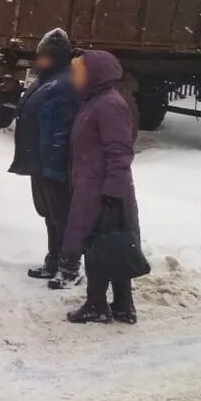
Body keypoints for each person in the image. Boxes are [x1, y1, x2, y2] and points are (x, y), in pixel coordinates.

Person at [63, 49, 141, 324]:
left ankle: (98, 304)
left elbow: (120, 152)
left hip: (103, 189)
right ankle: (122, 305)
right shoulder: (94, 101)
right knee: (112, 244)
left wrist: (112, 193)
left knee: (101, 244)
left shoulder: (108, 105)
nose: (73, 77)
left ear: (93, 74)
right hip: (94, 185)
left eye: (77, 71)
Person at [8, 28, 79, 288]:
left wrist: (56, 165)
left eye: (46, 56)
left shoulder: (65, 83)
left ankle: (69, 267)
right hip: (39, 160)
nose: (40, 61)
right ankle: (53, 259)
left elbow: (63, 128)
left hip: (53, 163)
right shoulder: (45, 80)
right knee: (49, 213)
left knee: (62, 215)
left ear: (58, 58)